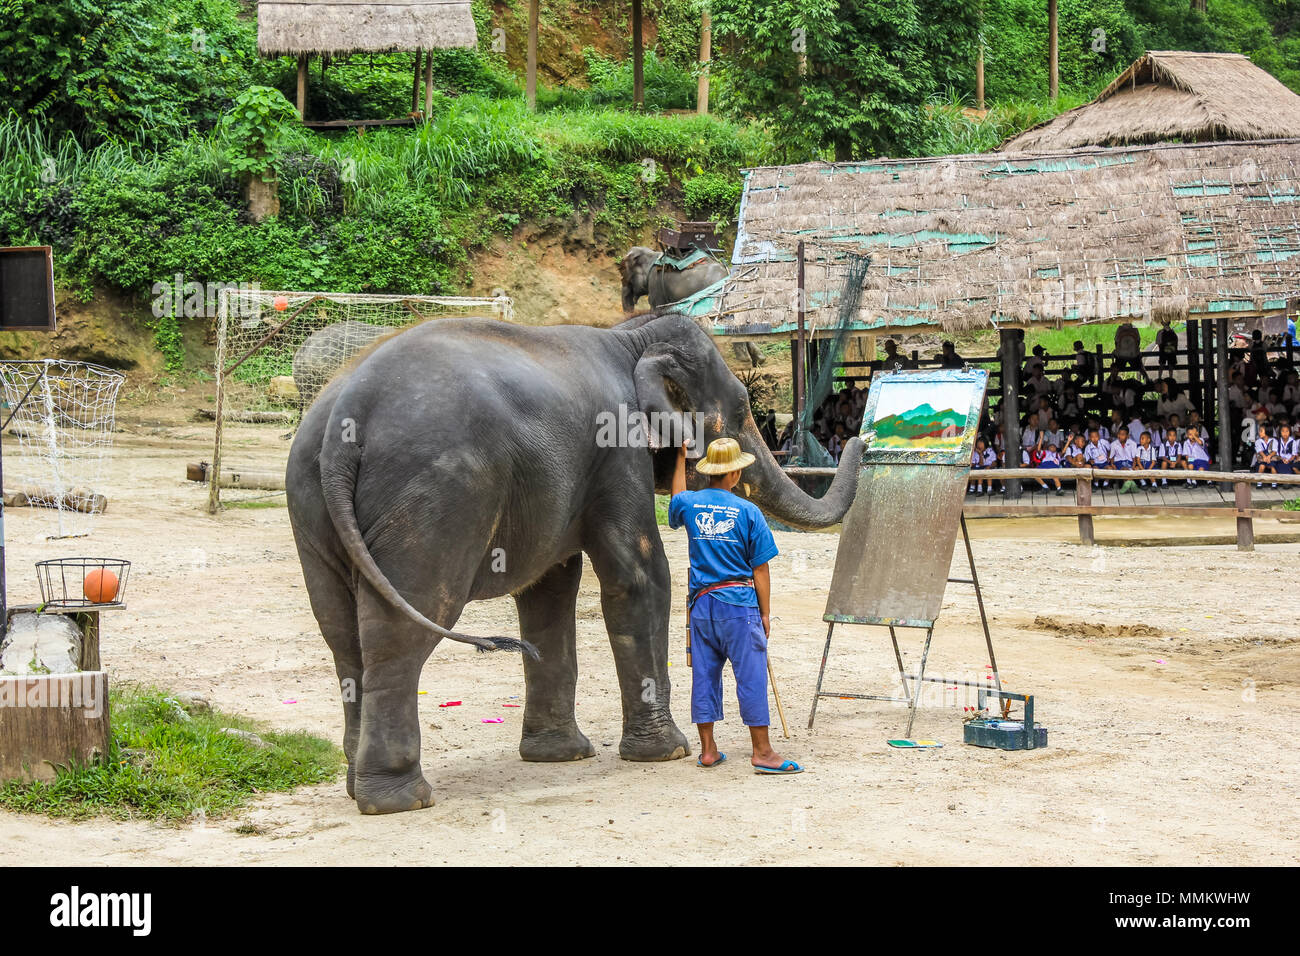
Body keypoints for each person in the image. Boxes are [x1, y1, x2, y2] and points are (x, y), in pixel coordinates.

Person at [669, 438, 799, 774]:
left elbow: (676, 500)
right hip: (739, 607)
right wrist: (765, 613)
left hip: (700, 606)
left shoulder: (690, 503)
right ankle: (763, 752)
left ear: (711, 471)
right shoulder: (748, 511)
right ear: (735, 473)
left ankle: (709, 750)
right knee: (751, 675)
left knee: (704, 676)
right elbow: (760, 568)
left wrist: (680, 459)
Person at [1253, 423, 1278, 487]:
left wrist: (1269, 456)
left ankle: (1274, 483)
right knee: (1261, 466)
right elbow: (1259, 451)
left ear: (1267, 431)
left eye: (1261, 431)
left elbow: (1275, 451)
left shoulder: (1274, 440)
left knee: (1273, 467)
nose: (1259, 432)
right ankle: (1259, 482)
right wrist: (1264, 457)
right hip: (1262, 458)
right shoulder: (1258, 441)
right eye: (1259, 431)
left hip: (1271, 457)